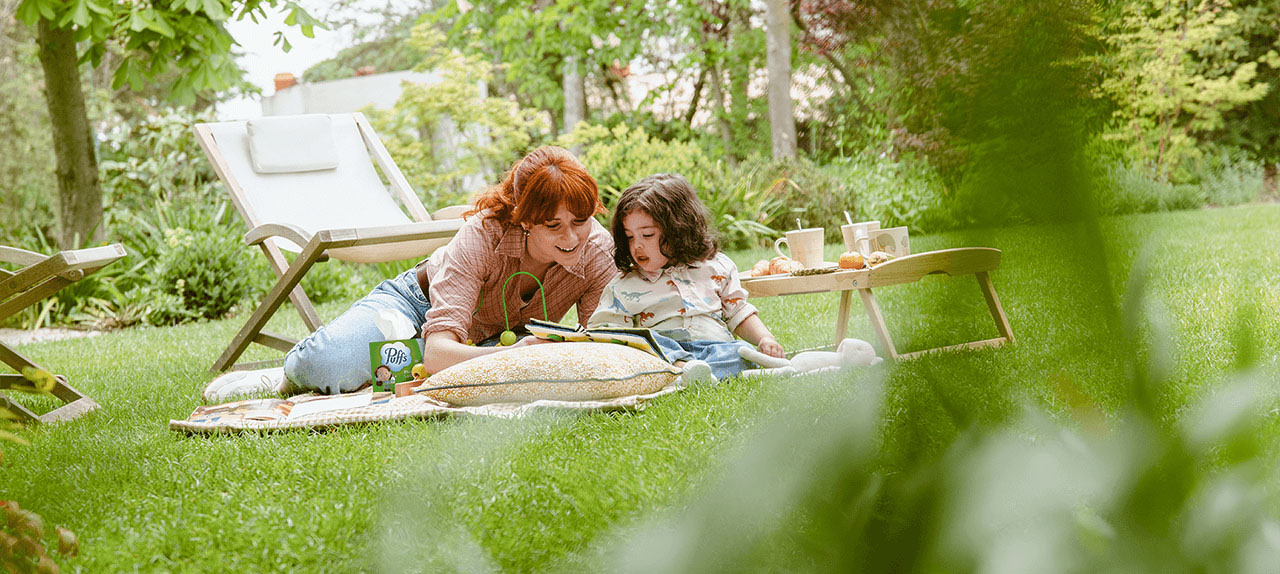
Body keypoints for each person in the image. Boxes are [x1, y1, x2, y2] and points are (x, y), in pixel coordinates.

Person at [203, 146, 617, 400]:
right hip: (417, 307)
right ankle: (285, 376)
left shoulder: (598, 249)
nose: (572, 238)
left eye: (580, 221)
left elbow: (604, 341)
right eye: (553, 225)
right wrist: (513, 355)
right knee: (327, 365)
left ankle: (386, 365)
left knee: (485, 374)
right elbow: (438, 351)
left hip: (492, 338)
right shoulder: (482, 235)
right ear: (524, 218)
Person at [587, 173, 784, 385]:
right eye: (629, 236)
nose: (637, 245)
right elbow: (606, 332)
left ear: (678, 230)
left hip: (715, 348)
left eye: (647, 235)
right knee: (648, 345)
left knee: (737, 351)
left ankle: (750, 368)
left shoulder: (716, 267)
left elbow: (738, 312)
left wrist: (765, 338)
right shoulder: (623, 286)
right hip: (664, 354)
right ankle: (684, 372)